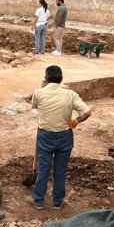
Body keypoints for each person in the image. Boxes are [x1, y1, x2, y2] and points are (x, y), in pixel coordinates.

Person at [29, 65, 92, 210]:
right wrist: (76, 121)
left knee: (43, 168)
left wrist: (42, 85)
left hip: (45, 135)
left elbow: (35, 106)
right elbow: (87, 112)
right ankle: (58, 201)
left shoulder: (39, 92)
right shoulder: (70, 94)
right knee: (60, 170)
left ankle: (38, 201)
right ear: (61, 79)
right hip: (65, 136)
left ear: (46, 79)